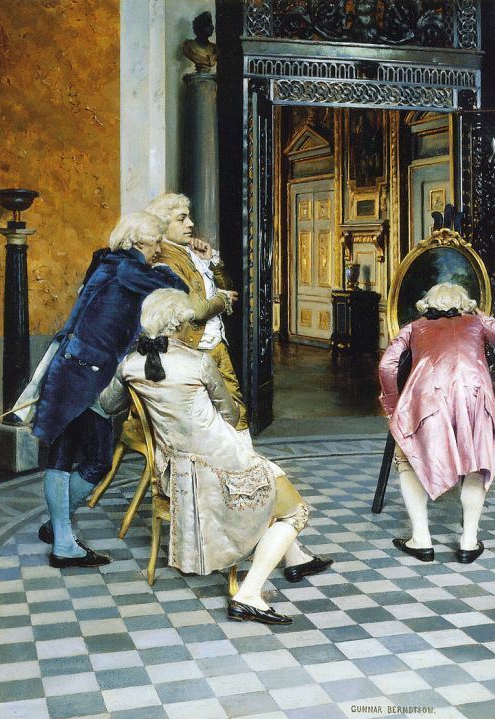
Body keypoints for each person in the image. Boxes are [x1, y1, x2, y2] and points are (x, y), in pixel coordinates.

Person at [100, 289, 332, 624]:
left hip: (174, 470)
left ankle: (295, 559)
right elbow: (231, 414)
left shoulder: (131, 365)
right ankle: (248, 595)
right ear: (180, 325)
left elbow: (109, 405)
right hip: (220, 467)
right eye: (190, 322)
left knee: (272, 482)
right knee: (296, 511)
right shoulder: (198, 362)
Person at [17, 212, 188, 568]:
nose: (160, 248)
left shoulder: (111, 262)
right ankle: (63, 541)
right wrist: (168, 264)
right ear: (139, 240)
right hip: (84, 376)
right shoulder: (128, 268)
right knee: (93, 459)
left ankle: (58, 530)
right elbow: (178, 292)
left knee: (68, 456)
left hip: (74, 369)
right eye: (156, 241)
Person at [379, 282, 495, 564]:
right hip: (473, 398)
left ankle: (421, 539)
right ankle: (468, 541)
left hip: (428, 400)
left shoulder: (413, 327)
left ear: (428, 303)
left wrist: (394, 408)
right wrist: (482, 316)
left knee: (406, 459)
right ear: (465, 304)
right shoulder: (477, 323)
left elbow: (386, 365)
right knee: (476, 463)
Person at [143, 192, 248, 430]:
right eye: (182, 219)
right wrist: (222, 298)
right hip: (194, 347)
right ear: (163, 225)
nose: (190, 224)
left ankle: (240, 452)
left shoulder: (189, 251)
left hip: (215, 344)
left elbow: (228, 287)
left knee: (235, 411)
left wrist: (212, 261)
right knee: (204, 419)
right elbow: (197, 311)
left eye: (189, 218)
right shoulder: (166, 261)